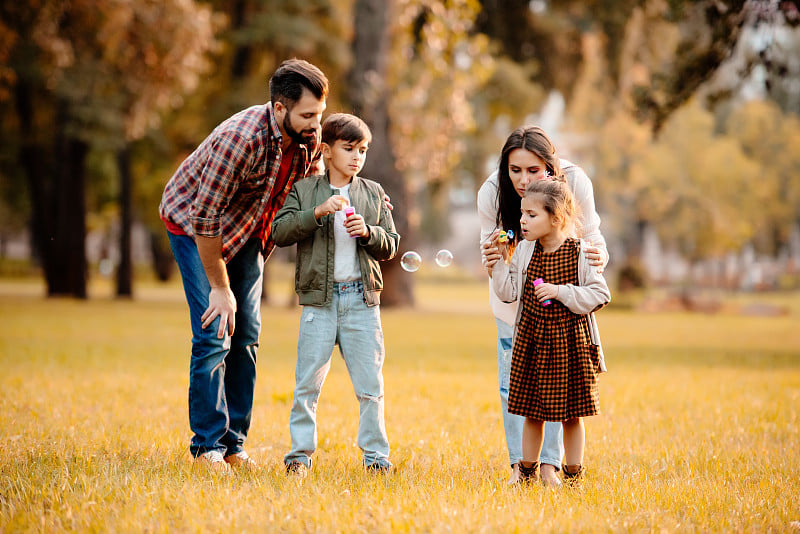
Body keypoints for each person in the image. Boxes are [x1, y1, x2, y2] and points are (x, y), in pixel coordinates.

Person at [158, 58, 328, 472]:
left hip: (248, 229)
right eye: (307, 115)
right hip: (193, 225)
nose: (315, 124)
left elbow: (314, 182)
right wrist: (220, 287)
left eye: (319, 114)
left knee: (247, 332)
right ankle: (207, 449)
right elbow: (204, 217)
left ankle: (234, 445)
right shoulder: (240, 139)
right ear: (279, 109)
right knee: (215, 329)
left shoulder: (306, 135)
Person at [477, 126, 608, 485]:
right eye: (514, 170)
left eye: (533, 170)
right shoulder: (492, 194)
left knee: (562, 399)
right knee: (517, 392)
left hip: (566, 317)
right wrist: (494, 261)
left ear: (550, 167)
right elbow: (503, 276)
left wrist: (596, 259)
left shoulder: (576, 183)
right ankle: (520, 469)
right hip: (520, 316)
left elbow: (593, 238)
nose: (522, 179)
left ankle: (552, 467)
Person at [272, 113, 400, 477]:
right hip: (319, 302)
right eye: (349, 148)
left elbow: (390, 244)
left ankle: (376, 459)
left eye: (363, 150)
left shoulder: (373, 193)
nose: (357, 157)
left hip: (362, 301)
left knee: (371, 386)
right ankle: (299, 457)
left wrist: (369, 232)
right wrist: (317, 212)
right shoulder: (305, 190)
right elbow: (280, 232)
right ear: (326, 151)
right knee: (307, 385)